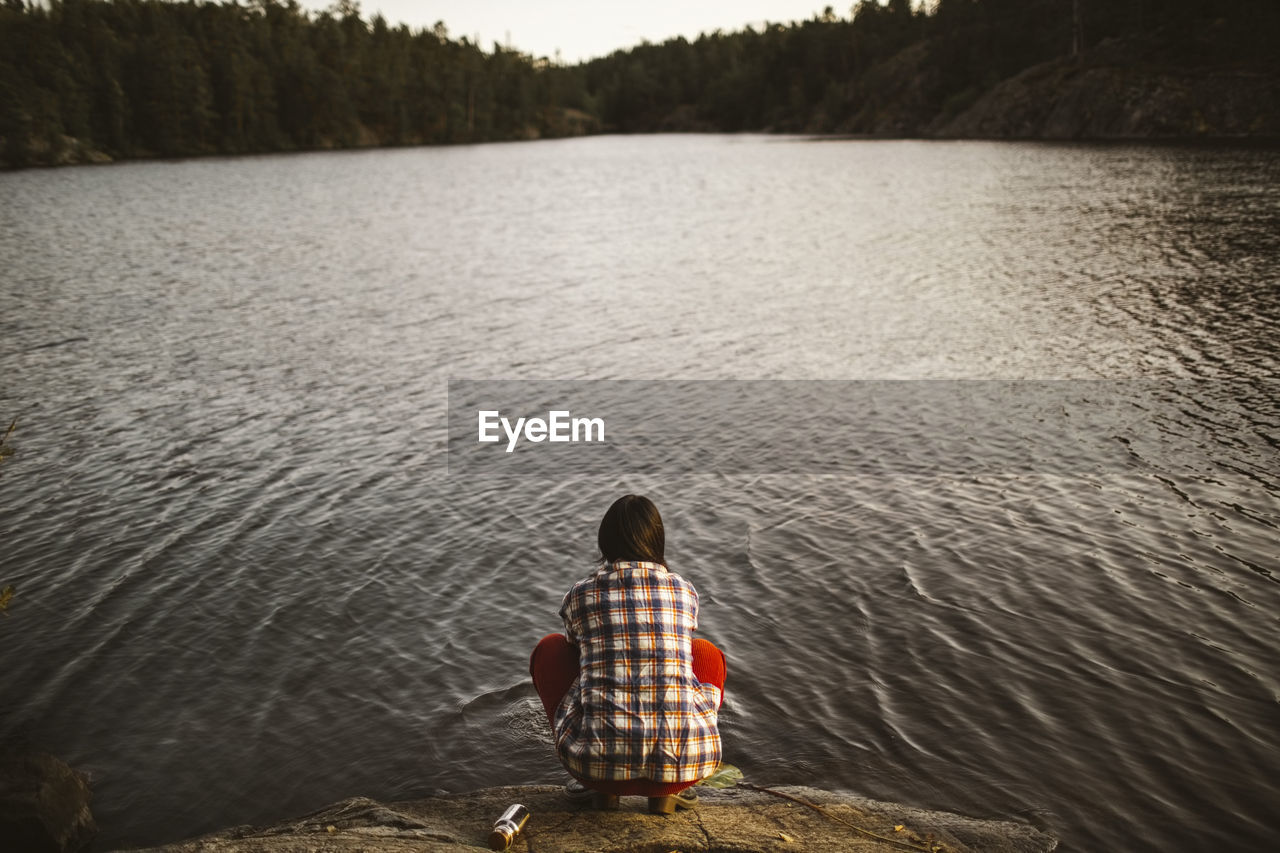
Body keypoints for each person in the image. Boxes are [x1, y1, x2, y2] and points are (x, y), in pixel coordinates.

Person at [529, 494, 727, 814]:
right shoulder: (684, 591)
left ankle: (604, 795)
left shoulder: (580, 594)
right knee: (706, 653)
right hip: (685, 766)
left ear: (604, 542)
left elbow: (574, 651)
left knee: (551, 650)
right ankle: (662, 798)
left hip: (593, 767)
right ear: (657, 542)